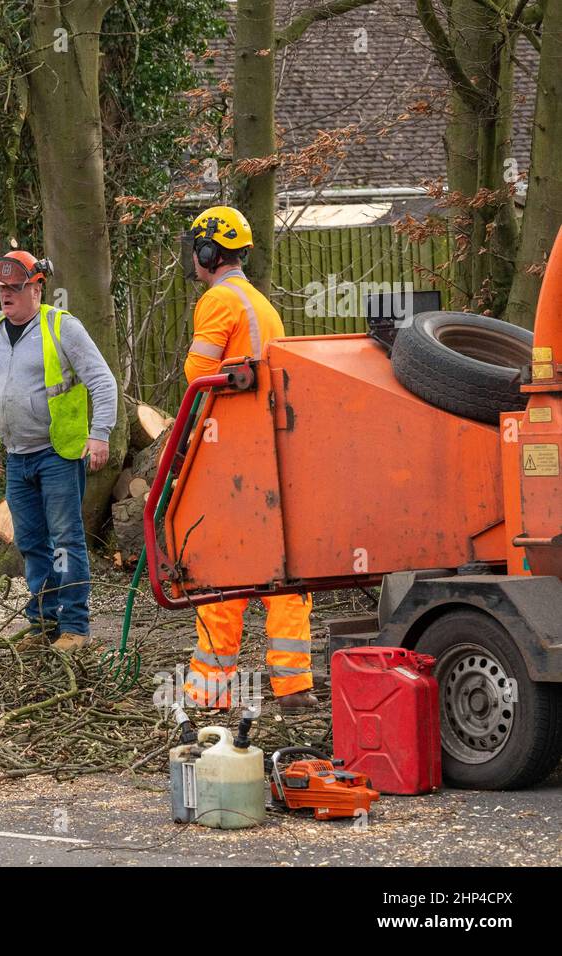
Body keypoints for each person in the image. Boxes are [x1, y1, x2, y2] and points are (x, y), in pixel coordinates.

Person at [181, 206, 316, 712]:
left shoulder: (219, 301)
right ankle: (293, 686)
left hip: (231, 452)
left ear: (207, 252)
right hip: (270, 452)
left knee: (221, 571)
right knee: (280, 568)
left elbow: (197, 380)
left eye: (197, 248)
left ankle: (210, 695)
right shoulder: (261, 303)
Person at [0, 251, 118, 651]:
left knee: (65, 540)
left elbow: (102, 382)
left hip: (57, 453)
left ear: (37, 288)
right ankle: (43, 624)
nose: (6, 296)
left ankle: (75, 627)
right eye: (1, 289)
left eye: (15, 288)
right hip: (17, 456)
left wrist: (100, 433)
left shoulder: (62, 327)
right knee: (31, 542)